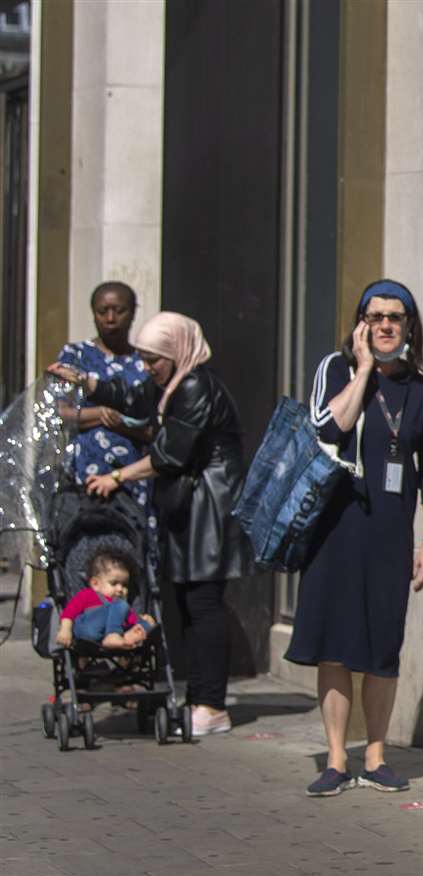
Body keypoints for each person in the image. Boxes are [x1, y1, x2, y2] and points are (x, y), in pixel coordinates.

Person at [48, 312, 252, 737]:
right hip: (188, 507)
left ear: (176, 353)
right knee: (187, 605)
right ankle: (197, 697)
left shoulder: (195, 386)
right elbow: (131, 396)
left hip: (208, 509)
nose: (147, 367)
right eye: (141, 358)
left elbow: (169, 455)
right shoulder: (169, 386)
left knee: (204, 605)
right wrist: (83, 381)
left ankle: (212, 704)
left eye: (153, 359)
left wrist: (116, 476)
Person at [287, 280, 423, 797]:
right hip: (335, 529)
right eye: (374, 317)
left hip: (389, 533)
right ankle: (336, 757)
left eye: (395, 317)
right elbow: (331, 428)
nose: (385, 325)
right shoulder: (336, 369)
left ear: (409, 325)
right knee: (334, 646)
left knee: (382, 644)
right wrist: (365, 368)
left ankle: (376, 754)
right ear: (361, 324)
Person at [56, 282, 156, 531]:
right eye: (103, 311)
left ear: (133, 312)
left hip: (132, 476)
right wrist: (99, 415)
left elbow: (155, 428)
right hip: (85, 473)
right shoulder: (76, 356)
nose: (110, 319)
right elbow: (60, 413)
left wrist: (123, 424)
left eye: (119, 310)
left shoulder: (145, 363)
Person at [56, 548, 157, 650]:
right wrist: (65, 630)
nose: (120, 589)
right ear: (95, 583)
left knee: (147, 625)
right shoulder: (88, 595)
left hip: (106, 636)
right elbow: (69, 613)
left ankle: (128, 638)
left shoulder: (121, 607)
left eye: (124, 585)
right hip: (87, 628)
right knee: (121, 605)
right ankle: (113, 635)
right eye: (114, 583)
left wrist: (144, 620)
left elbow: (132, 620)